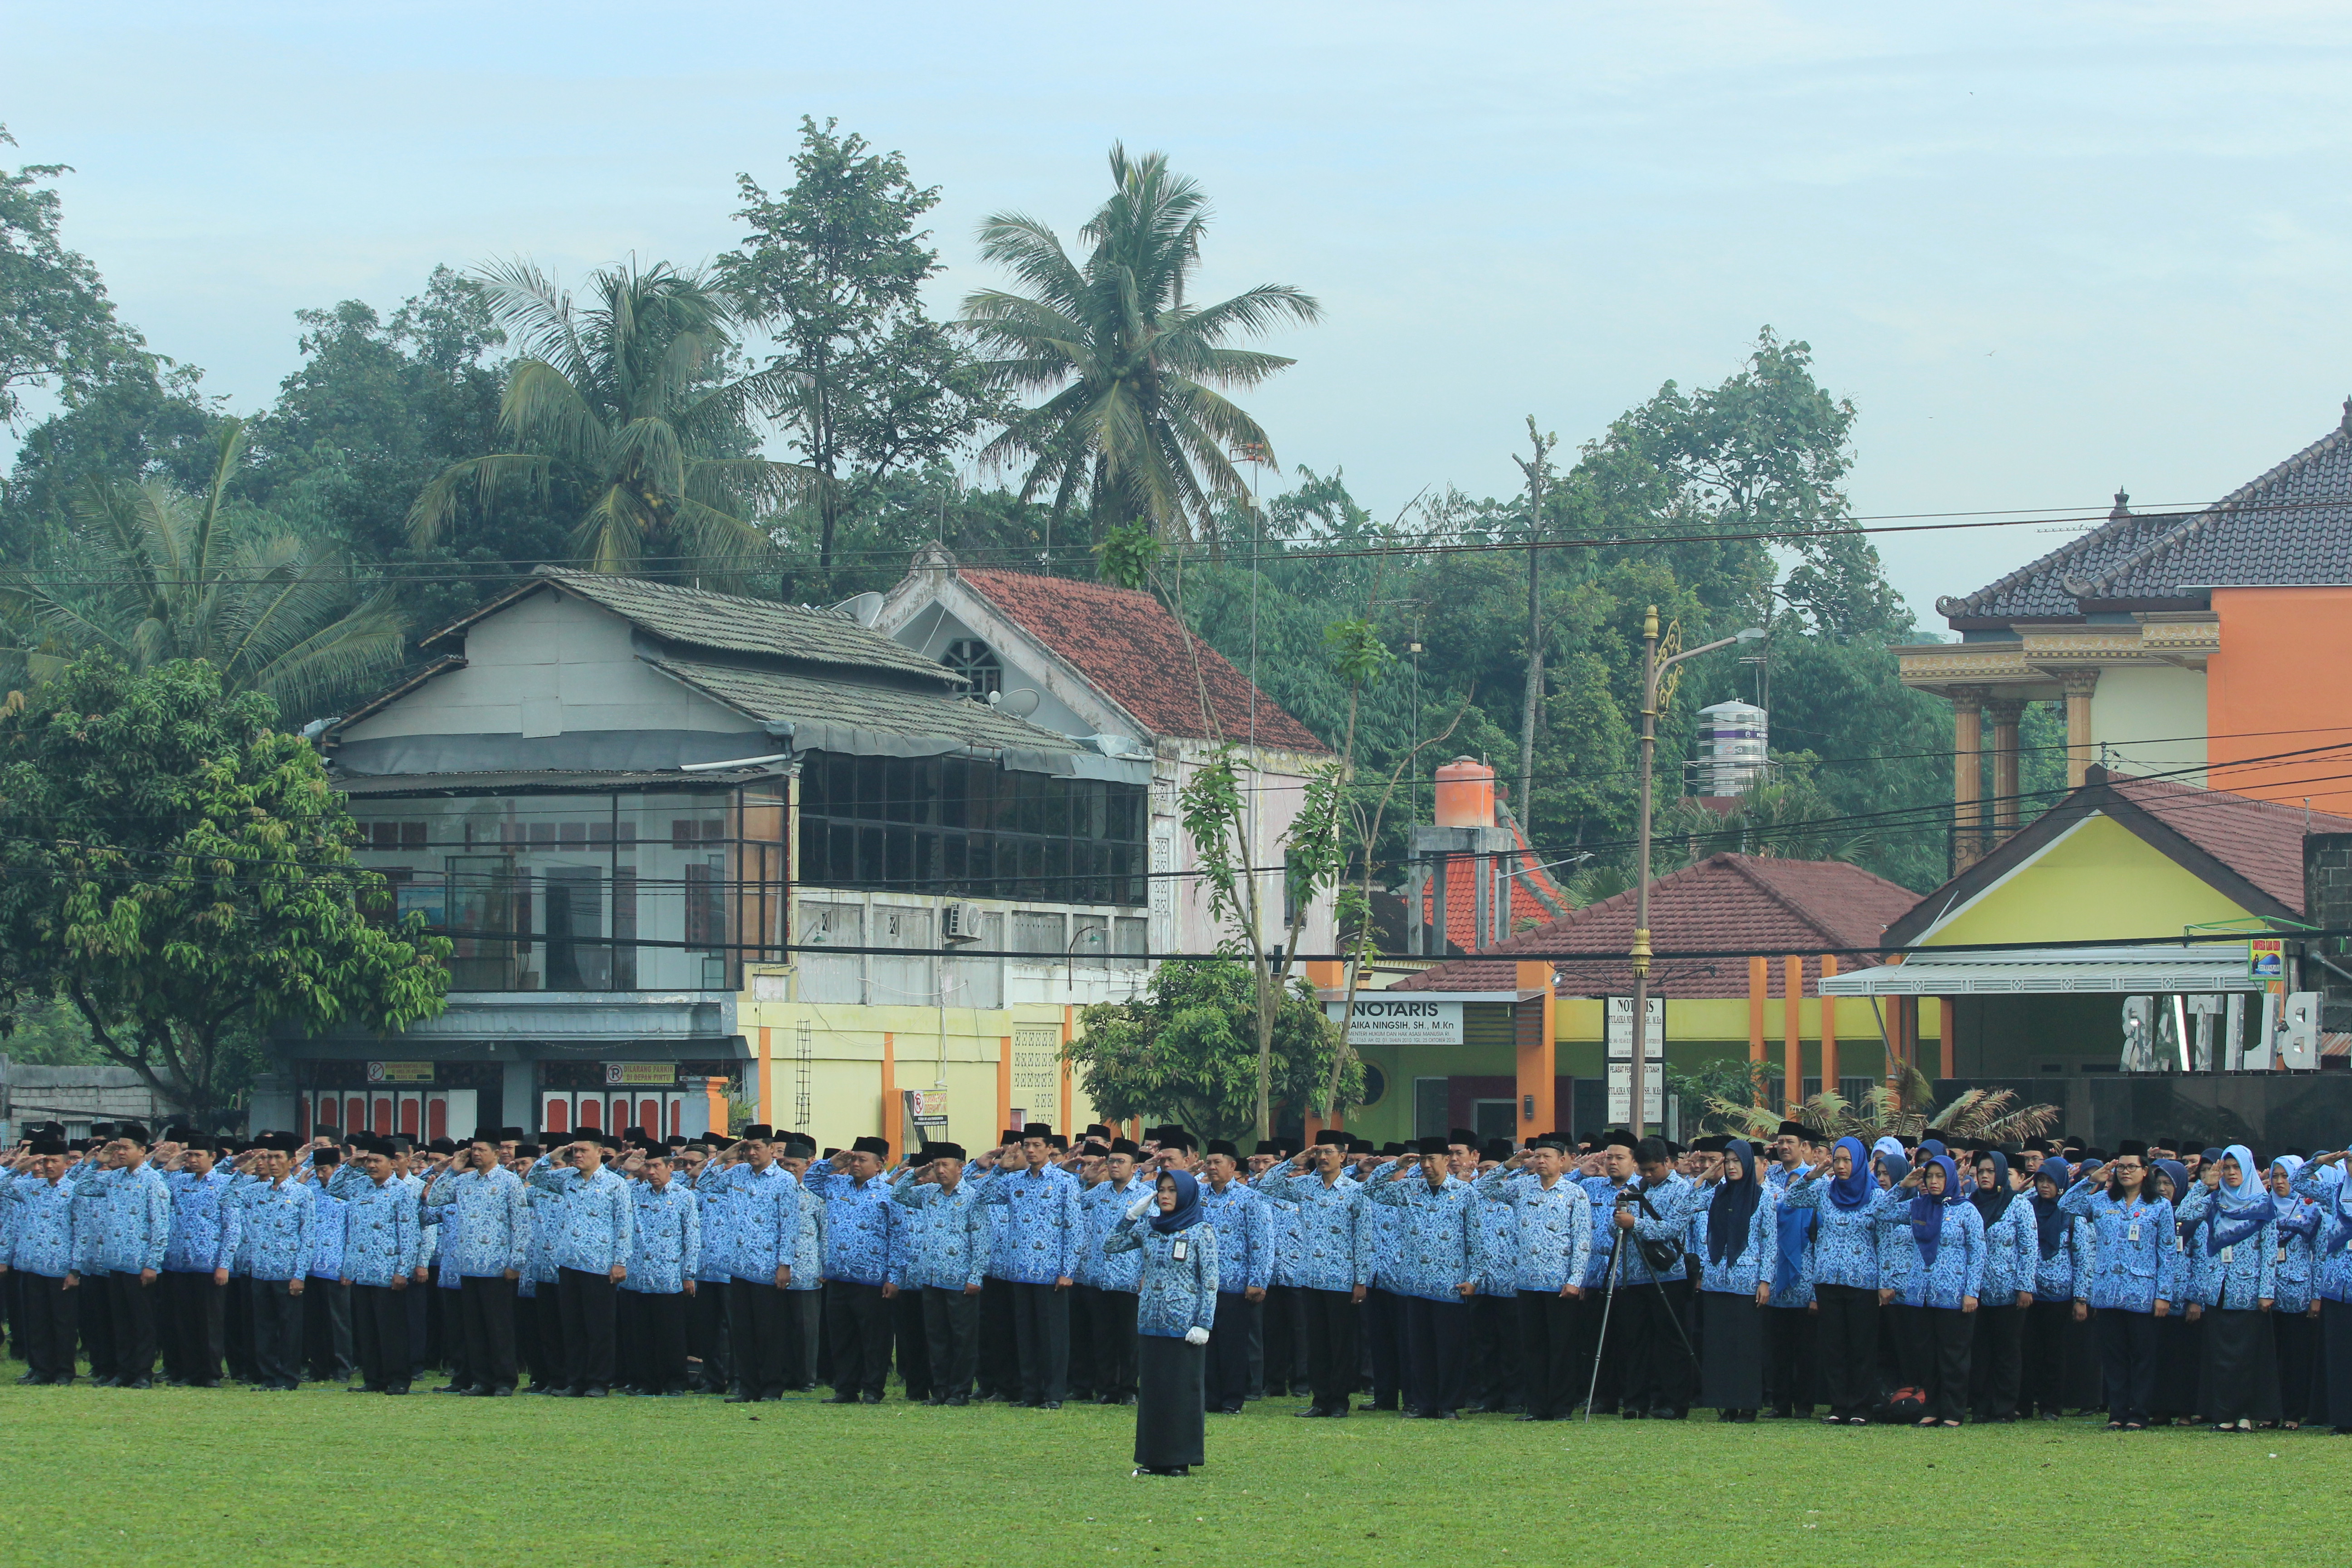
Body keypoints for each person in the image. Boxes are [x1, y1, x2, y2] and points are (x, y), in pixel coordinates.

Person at [1781, 1135, 1906, 1425]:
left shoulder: (1875, 1196)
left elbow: (1885, 1241)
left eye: (1847, 1160)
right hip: (1827, 1280)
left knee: (1861, 1347)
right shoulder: (1825, 1190)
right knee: (1834, 1347)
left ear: (1860, 1162)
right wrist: (1812, 1174)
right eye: (1837, 1160)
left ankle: (1861, 1407)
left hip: (1863, 1283)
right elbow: (1791, 1199)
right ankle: (1839, 1406)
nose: (1841, 1166)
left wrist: (1886, 1282)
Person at [2059, 1141, 2179, 1430]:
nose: (2126, 1172)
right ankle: (2117, 1413)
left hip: (2143, 1293)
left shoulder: (2159, 1206)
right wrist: (2091, 1180)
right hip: (2107, 1292)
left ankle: (2138, 1413)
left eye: (2132, 1167)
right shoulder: (2102, 1201)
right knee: (2113, 1357)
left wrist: (2164, 1295)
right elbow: (2065, 1206)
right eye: (2121, 1167)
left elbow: (2167, 1252)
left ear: (2145, 1171)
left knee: (2142, 1356)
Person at [1106, 1169, 1218, 1476]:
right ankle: (1153, 1459)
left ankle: (1179, 1460)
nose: (1165, 1196)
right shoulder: (1150, 1228)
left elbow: (1210, 1281)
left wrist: (1204, 1324)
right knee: (1154, 1394)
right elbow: (1111, 1245)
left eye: (1172, 1190)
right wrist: (1131, 1215)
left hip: (1184, 1327)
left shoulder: (1200, 1231)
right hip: (1150, 1321)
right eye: (1161, 1190)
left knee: (1181, 1393)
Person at [1471, 1137, 1592, 1421]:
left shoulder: (1575, 1194)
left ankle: (1561, 1407)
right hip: (1526, 1282)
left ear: (1563, 1160)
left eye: (1548, 1156)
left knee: (1561, 1347)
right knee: (1533, 1348)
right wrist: (1508, 1165)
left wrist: (1575, 1279)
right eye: (1537, 1156)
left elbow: (1583, 1241)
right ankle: (1536, 1407)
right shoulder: (1522, 1188)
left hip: (1561, 1283)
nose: (1541, 1161)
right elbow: (1483, 1187)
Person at [1361, 1138, 1480, 1420]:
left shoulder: (1464, 1193)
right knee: (1420, 1349)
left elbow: (1477, 1238)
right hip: (1414, 1284)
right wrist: (1395, 1166)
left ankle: (1448, 1405)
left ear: (1446, 1160)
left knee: (1449, 1349)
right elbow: (1371, 1190)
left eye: (1432, 1159)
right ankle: (1423, 1403)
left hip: (1451, 1284)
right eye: (1423, 1160)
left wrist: (1475, 1278)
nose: (1427, 1166)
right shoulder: (1408, 1190)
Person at [1252, 1132, 1367, 1417]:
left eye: (1329, 1152)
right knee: (1316, 1343)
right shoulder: (1305, 1186)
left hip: (1342, 1278)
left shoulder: (1355, 1191)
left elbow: (1364, 1238)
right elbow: (1266, 1186)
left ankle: (1340, 1401)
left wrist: (1361, 1280)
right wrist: (1293, 1160)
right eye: (1319, 1153)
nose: (1323, 1158)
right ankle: (1320, 1399)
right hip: (1310, 1276)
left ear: (1343, 1157)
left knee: (1341, 1343)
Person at [2176, 1142, 2279, 1431]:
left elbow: (2269, 1252)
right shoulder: (2215, 1200)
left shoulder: (2262, 1203)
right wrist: (2204, 1185)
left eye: (2237, 1168)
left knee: (2246, 1359)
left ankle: (2245, 1414)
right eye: (2227, 1168)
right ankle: (2223, 1415)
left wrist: (2266, 1292)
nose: (2232, 1173)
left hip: (2248, 1293)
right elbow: (2184, 1214)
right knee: (2220, 1360)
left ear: (2247, 1169)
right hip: (2217, 1291)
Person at [421, 1129, 530, 1396]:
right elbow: (434, 1200)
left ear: (496, 1153)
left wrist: (516, 1262)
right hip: (468, 1266)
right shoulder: (464, 1181)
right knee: (475, 1328)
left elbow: (521, 1223)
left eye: (483, 1150)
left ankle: (505, 1379)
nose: (477, 1154)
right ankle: (482, 1380)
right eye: (474, 1150)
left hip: (497, 1266)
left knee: (499, 1327)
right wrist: (453, 1170)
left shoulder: (509, 1182)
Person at [522, 1135, 634, 1397]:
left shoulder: (614, 1184)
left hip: (600, 1264)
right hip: (569, 1262)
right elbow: (536, 1177)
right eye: (575, 1151)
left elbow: (624, 1226)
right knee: (572, 1326)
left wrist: (620, 1262)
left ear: (600, 1152)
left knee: (599, 1328)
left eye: (584, 1150)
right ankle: (576, 1381)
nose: (578, 1155)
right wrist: (555, 1155)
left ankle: (598, 1382)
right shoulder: (567, 1179)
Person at [978, 1125, 1081, 1409]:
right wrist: (1000, 1168)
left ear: (1050, 1149)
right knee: (1026, 1336)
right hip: (1020, 1271)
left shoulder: (1065, 1182)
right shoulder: (1014, 1182)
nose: (1031, 1150)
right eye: (1027, 1145)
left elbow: (1074, 1229)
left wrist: (1067, 1270)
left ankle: (1054, 1394)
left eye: (1037, 1145)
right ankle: (1031, 1392)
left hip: (1051, 1273)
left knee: (1053, 1337)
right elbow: (982, 1197)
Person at [695, 1129, 799, 1403]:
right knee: (742, 1332)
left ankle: (771, 1388)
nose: (751, 1154)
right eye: (747, 1149)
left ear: (770, 1148)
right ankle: (748, 1388)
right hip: (739, 1267)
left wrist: (785, 1265)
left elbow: (789, 1226)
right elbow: (705, 1183)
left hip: (768, 1268)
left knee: (769, 1332)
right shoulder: (736, 1174)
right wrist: (726, 1155)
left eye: (756, 1148)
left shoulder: (784, 1181)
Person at [802, 1136, 904, 1404]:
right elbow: (811, 1181)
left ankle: (872, 1389)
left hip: (873, 1279)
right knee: (842, 1337)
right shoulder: (837, 1185)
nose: (856, 1164)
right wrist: (832, 1163)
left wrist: (894, 1278)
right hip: (839, 1276)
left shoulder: (891, 1193)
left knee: (874, 1339)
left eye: (863, 1159)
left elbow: (899, 1237)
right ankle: (846, 1389)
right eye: (854, 1158)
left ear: (881, 1164)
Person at [891, 1141, 990, 1404]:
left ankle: (960, 1391)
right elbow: (898, 1194)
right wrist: (914, 1172)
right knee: (936, 1337)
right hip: (931, 1277)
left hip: (960, 1279)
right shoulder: (929, 1193)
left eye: (946, 1165)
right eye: (937, 1165)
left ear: (961, 1168)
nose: (941, 1170)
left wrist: (976, 1276)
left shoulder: (973, 1197)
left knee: (963, 1338)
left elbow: (982, 1241)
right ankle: (941, 1390)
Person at [1692, 1138, 1777, 1421]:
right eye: (1727, 1162)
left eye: (1736, 1161)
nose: (1731, 1167)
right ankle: (1726, 1402)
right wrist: (1705, 1175)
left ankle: (1748, 1404)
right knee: (1719, 1345)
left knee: (1745, 1346)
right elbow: (1686, 1203)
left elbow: (1769, 1241)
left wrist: (1765, 1281)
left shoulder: (1762, 1197)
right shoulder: (1717, 1194)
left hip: (1747, 1282)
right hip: (1717, 1279)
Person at [330, 1135, 421, 1396]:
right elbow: (334, 1188)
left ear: (393, 1164)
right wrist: (351, 1164)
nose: (371, 1165)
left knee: (391, 1331)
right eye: (369, 1161)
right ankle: (373, 1379)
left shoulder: (402, 1192)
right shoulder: (360, 1187)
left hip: (388, 1271)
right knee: (367, 1330)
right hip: (362, 1271)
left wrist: (403, 1271)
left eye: (377, 1161)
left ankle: (398, 1379)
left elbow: (410, 1234)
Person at [158, 1136, 240, 1388]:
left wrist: (224, 1264)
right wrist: (170, 1167)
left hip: (209, 1264)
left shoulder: (226, 1184)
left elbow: (232, 1228)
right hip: (180, 1263)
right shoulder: (179, 1181)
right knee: (184, 1321)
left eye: (198, 1156)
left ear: (213, 1157)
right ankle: (188, 1371)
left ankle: (211, 1373)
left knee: (210, 1322)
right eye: (189, 1155)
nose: (192, 1161)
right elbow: (155, 1191)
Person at [1196, 1140, 1270, 1416]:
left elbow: (1262, 1242)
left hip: (1235, 1283)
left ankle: (1232, 1398)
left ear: (1233, 1166)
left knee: (1232, 1343)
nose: (1212, 1167)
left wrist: (1258, 1280)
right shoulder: (1197, 1196)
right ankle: (1210, 1397)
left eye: (1217, 1162)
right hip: (1202, 1284)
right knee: (1206, 1342)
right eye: (1208, 1162)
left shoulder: (1249, 1198)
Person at [618, 1145, 700, 1396]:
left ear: (670, 1167)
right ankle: (645, 1382)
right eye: (648, 1166)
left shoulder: (684, 1196)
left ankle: (675, 1382)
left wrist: (689, 1275)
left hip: (669, 1276)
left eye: (657, 1166)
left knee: (671, 1334)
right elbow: (610, 1187)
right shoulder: (634, 1193)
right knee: (639, 1334)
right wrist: (625, 1170)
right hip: (637, 1276)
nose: (652, 1172)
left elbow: (692, 1238)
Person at [1, 1137, 84, 1384]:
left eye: (53, 1161)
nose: (48, 1166)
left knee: (62, 1323)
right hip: (31, 1266)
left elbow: (82, 1233)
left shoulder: (74, 1191)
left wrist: (76, 1270)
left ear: (67, 1163)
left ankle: (64, 1371)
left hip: (60, 1268)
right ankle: (40, 1369)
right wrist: (19, 1167)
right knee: (35, 1322)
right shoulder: (31, 1188)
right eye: (44, 1161)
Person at [1078, 1139, 1150, 1406]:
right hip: (1099, 1277)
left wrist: (1146, 1272)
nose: (1115, 1166)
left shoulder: (1145, 1194)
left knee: (1130, 1339)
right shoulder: (1099, 1192)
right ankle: (1107, 1388)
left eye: (1121, 1161)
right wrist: (1084, 1180)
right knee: (1103, 1337)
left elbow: (1151, 1237)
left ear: (1134, 1166)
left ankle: (1129, 1388)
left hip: (1131, 1279)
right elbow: (1073, 1204)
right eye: (1112, 1161)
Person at [1967, 1149, 2035, 1423]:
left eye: (1990, 1171)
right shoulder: (1969, 1203)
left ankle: (2005, 1407)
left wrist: (2025, 1286)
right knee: (1979, 1351)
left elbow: (2029, 1248)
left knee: (2007, 1351)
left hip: (2009, 1291)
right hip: (1976, 1291)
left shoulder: (2018, 1204)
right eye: (1980, 1172)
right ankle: (1981, 1406)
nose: (1984, 1176)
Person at [2019, 1155, 2087, 1419]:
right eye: (2041, 1180)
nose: (2045, 1186)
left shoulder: (2071, 1215)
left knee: (2054, 1353)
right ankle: (2024, 1405)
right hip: (2030, 1292)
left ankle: (2051, 1406)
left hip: (2060, 1295)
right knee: (2027, 1351)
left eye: (2050, 1181)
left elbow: (2082, 1260)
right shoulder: (2026, 1208)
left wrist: (2081, 1298)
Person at [2266, 1154, 2320, 1428]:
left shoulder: (2311, 1210)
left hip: (2299, 1293)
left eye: (2285, 1176)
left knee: (2296, 1357)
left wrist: (2316, 1296)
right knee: (2271, 1357)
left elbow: (2319, 1255)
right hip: (2268, 1292)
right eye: (2275, 1177)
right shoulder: (2263, 1207)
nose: (2279, 1182)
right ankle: (2271, 1411)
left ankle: (2293, 1413)